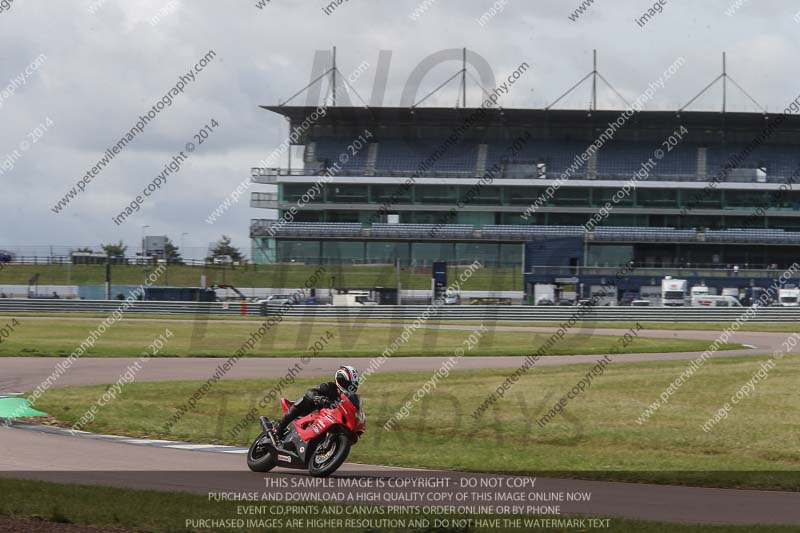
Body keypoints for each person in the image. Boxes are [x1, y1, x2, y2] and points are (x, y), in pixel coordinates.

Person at [273, 365, 359, 437]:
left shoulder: (347, 399)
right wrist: (318, 398)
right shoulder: (329, 386)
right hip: (311, 413)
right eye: (346, 383)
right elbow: (310, 391)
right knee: (304, 400)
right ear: (340, 380)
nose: (348, 387)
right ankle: (279, 426)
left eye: (352, 385)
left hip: (328, 421)